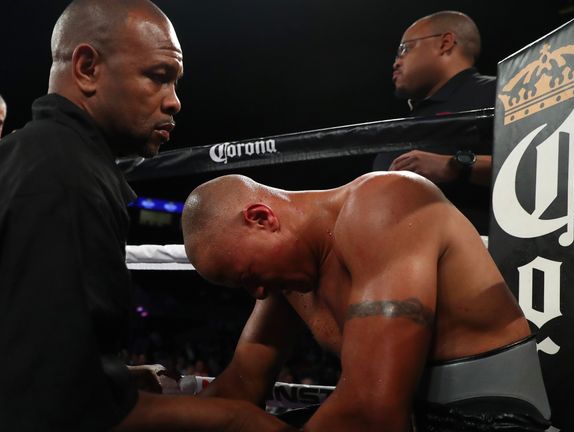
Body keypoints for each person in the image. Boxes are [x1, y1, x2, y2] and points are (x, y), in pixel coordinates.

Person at [0, 1, 294, 432]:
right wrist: (234, 420)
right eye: (158, 76)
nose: (174, 102)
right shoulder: (63, 181)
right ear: (87, 67)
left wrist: (107, 380)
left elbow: (0, 349)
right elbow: (65, 417)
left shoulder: (17, 160)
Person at [182, 173, 552, 431]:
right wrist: (138, 410)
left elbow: (372, 418)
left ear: (261, 218)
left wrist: (238, 420)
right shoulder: (288, 279)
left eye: (249, 276)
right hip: (407, 416)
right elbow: (240, 388)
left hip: (492, 416)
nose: (258, 293)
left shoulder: (385, 204)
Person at [375, 11, 496, 233]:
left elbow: (539, 164)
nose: (396, 63)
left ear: (445, 43)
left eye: (404, 49)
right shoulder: (406, 122)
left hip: (475, 254)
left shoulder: (499, 93)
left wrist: (458, 165)